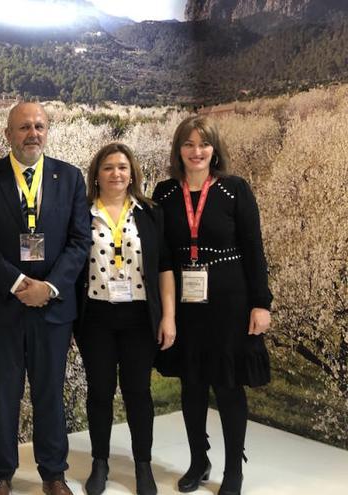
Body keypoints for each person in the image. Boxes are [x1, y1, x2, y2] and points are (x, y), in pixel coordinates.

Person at [0, 102, 92, 495]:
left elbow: (79, 241)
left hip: (53, 310)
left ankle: (53, 474)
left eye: (39, 126)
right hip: (4, 308)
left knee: (49, 393)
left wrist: (49, 287)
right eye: (23, 127)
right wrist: (20, 283)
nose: (32, 133)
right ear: (8, 134)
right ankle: (1, 473)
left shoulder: (69, 178)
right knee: (2, 394)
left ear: (47, 130)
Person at [153, 116, 272, 495]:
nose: (196, 151)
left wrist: (261, 304)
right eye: (188, 144)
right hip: (185, 305)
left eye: (203, 144)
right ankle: (198, 460)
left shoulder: (236, 190)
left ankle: (233, 469)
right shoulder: (165, 193)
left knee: (228, 386)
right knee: (192, 385)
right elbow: (162, 255)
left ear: (214, 149)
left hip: (229, 303)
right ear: (178, 150)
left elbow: (254, 250)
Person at [74, 143, 176, 495]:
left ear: (132, 173)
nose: (116, 173)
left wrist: (169, 317)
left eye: (122, 167)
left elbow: (164, 266)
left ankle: (142, 465)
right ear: (96, 175)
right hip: (96, 317)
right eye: (108, 167)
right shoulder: (82, 213)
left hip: (138, 317)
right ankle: (99, 462)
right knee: (99, 392)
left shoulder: (150, 212)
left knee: (138, 392)